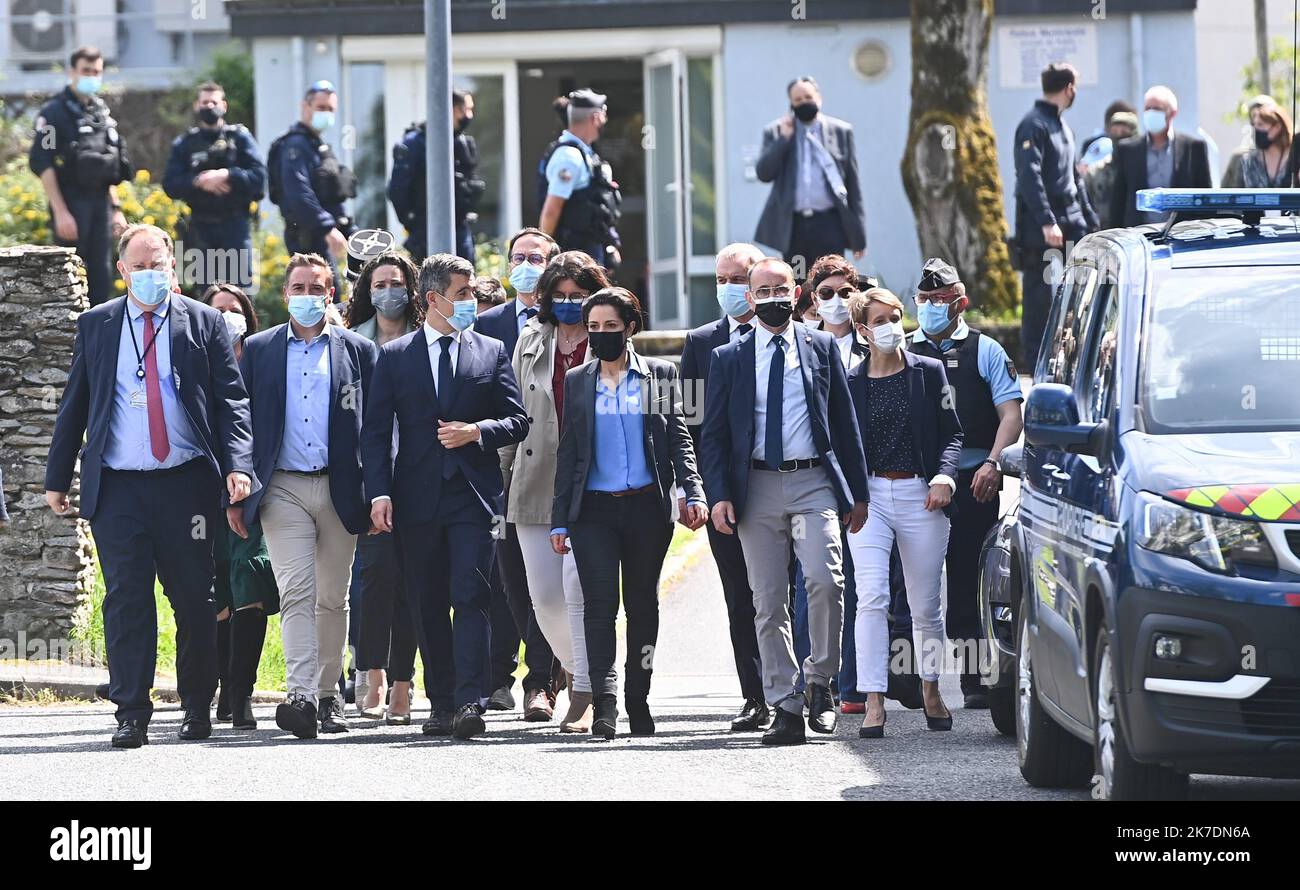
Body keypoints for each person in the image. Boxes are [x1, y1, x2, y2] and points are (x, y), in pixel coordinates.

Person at [44, 223, 255, 748]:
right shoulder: (97, 323)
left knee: (195, 597)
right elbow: (76, 403)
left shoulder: (203, 322)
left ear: (172, 265)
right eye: (138, 266)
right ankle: (131, 711)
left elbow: (231, 401)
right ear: (122, 270)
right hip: (119, 488)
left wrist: (238, 466)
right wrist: (57, 477)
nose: (148, 274)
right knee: (126, 598)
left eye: (157, 265)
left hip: (186, 484)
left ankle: (197, 706)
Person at [698, 257, 869, 746]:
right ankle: (785, 703)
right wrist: (718, 495)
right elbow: (714, 435)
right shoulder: (728, 356)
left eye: (781, 289)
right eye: (763, 291)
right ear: (750, 298)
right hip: (755, 487)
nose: (773, 298)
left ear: (796, 294)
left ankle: (820, 681)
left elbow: (845, 422)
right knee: (768, 600)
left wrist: (856, 493)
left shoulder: (819, 346)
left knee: (826, 580)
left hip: (813, 482)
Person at [362, 254, 529, 740]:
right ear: (433, 299)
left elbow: (518, 420)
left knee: (471, 594)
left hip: (473, 497)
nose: (472, 301)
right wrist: (379, 493)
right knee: (427, 600)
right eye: (463, 293)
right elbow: (375, 432)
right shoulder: (396, 356)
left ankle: (471, 701)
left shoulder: (491, 351)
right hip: (416, 499)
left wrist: (477, 431)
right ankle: (441, 702)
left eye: (472, 292)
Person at [551, 287, 707, 738]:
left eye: (610, 327)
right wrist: (560, 518)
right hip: (592, 512)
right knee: (599, 608)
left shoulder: (659, 375)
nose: (601, 334)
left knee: (642, 606)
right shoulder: (578, 380)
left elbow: (678, 438)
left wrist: (692, 491)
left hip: (645, 509)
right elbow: (569, 452)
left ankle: (639, 697)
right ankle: (605, 703)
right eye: (593, 327)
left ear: (630, 328)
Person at [236, 253, 378, 739]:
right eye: (298, 288)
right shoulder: (260, 350)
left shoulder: (359, 350)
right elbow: (240, 422)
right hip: (282, 487)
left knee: (333, 598)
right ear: (285, 294)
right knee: (296, 591)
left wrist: (378, 492)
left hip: (342, 488)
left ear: (331, 294)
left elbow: (377, 429)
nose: (307, 296)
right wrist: (238, 485)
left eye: (316, 288)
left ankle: (328, 694)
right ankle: (300, 697)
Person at [501, 252, 611, 733]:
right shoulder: (529, 339)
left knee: (580, 591)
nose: (568, 304)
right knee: (544, 598)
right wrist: (501, 479)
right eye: (560, 295)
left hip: (593, 481)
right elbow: (510, 412)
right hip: (534, 476)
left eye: (578, 296)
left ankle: (587, 690)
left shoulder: (609, 337)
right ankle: (577, 667)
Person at [845, 287, 962, 739]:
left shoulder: (929, 372)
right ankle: (874, 698)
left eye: (895, 317)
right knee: (872, 596)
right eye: (880, 320)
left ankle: (930, 688)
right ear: (862, 330)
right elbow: (838, 445)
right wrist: (849, 497)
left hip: (920, 494)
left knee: (925, 604)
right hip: (869, 498)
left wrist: (944, 477)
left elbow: (952, 434)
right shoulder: (849, 382)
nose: (891, 326)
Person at [908, 258, 1024, 708]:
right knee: (910, 578)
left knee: (970, 575)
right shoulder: (903, 349)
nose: (931, 306)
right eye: (924, 299)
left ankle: (974, 676)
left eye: (940, 299)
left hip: (975, 479)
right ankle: (909, 676)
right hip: (915, 481)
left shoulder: (986, 350)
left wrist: (993, 463)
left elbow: (1010, 415)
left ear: (960, 302)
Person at [474, 227, 565, 718]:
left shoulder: (564, 321)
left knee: (545, 583)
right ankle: (498, 677)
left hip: (549, 469)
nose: (525, 266)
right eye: (517, 257)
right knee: (505, 579)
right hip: (499, 468)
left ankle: (541, 682)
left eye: (535, 257)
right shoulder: (486, 324)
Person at [679, 243, 769, 731]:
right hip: (725, 492)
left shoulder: (791, 337)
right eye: (721, 279)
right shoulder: (700, 342)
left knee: (788, 592)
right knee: (740, 596)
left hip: (781, 483)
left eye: (738, 278)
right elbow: (687, 423)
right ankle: (755, 695)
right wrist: (696, 489)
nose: (729, 288)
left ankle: (801, 688)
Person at [343, 252, 423, 724]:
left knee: (410, 583)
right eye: (379, 284)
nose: (388, 292)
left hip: (417, 476)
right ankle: (370, 672)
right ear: (366, 291)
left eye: (396, 283)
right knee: (372, 578)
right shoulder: (352, 342)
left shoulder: (426, 338)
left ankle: (402, 685)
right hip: (367, 476)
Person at [202, 283, 280, 729]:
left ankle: (241, 692)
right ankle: (220, 688)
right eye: (219, 311)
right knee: (217, 594)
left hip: (252, 493)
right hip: (202, 493)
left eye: (235, 310)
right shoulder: (194, 361)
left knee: (250, 586)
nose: (228, 317)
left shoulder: (262, 361)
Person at [1012, 62, 1098, 372]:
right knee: (1040, 295)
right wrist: (1046, 220)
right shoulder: (1033, 125)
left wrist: (1090, 219)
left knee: (1080, 289)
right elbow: (1029, 176)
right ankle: (1037, 362)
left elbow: (1075, 178)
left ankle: (1076, 357)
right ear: (1069, 88)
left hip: (1071, 221)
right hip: (1042, 227)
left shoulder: (1063, 127)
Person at [29, 46, 131, 307]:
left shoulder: (100, 111)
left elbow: (106, 166)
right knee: (70, 277)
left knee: (101, 277)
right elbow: (43, 162)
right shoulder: (53, 113)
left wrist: (116, 208)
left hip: (101, 205)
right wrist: (61, 212)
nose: (92, 76)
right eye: (86, 70)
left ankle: (98, 329)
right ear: (72, 71)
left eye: (96, 72)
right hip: (71, 202)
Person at [754, 76, 866, 277]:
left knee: (830, 280)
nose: (804, 102)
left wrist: (858, 237)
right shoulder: (776, 131)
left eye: (808, 97)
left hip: (830, 223)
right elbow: (764, 173)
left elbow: (852, 184)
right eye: (797, 100)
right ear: (791, 104)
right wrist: (784, 139)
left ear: (819, 98)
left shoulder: (840, 131)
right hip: (794, 226)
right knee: (798, 282)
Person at [163, 81, 266, 294]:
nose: (209, 107)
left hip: (235, 227)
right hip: (201, 228)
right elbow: (170, 184)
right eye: (204, 102)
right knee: (205, 294)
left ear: (224, 106)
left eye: (214, 102)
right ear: (196, 106)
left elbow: (259, 178)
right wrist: (199, 181)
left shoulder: (240, 138)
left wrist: (227, 175)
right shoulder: (185, 143)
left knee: (241, 293)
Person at [269, 80, 356, 294]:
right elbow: (298, 193)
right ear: (305, 107)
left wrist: (348, 230)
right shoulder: (295, 145)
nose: (326, 113)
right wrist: (326, 228)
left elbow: (332, 195)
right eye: (321, 108)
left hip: (323, 235)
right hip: (307, 237)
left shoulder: (318, 146)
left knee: (331, 295)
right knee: (318, 294)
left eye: (330, 109)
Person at [387, 90, 485, 264]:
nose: (470, 115)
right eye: (467, 109)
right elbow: (397, 189)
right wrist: (413, 223)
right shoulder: (415, 143)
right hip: (425, 229)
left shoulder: (462, 143)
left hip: (459, 226)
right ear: (455, 109)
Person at [537, 89, 623, 270]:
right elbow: (551, 210)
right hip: (572, 259)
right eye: (604, 115)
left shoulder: (584, 153)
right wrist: (544, 257)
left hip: (587, 253)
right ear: (595, 118)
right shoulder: (569, 157)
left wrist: (610, 243)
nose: (605, 120)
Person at [1110, 85, 1213, 228]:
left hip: (1182, 233)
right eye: (1147, 108)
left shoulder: (1193, 148)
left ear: (1172, 113)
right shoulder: (1128, 150)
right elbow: (1118, 200)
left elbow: (1206, 199)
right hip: (1139, 233)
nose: (1151, 113)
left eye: (1157, 109)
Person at [1082, 109, 1138, 231]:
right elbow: (1085, 205)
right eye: (1115, 132)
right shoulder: (1096, 172)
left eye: (1124, 132)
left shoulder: (1142, 170)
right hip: (1104, 232)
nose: (1119, 136)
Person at [1220, 102, 1293, 189]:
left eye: (1260, 125)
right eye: (1254, 125)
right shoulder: (1247, 161)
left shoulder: (1294, 159)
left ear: (1277, 127)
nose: (1256, 129)